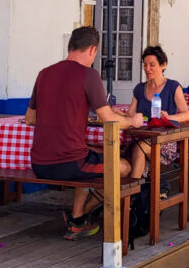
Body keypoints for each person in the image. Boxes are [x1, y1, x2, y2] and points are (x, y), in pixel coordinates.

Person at [24, 26, 144, 239]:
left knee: (91, 154)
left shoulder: (44, 73)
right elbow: (109, 119)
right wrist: (132, 120)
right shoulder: (89, 75)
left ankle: (78, 221)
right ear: (93, 50)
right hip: (68, 163)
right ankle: (83, 216)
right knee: (124, 166)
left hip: (39, 163)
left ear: (70, 46)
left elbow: (30, 119)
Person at [126, 45, 189, 179]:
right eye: (145, 65)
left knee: (139, 149)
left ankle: (130, 194)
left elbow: (185, 114)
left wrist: (168, 117)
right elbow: (130, 115)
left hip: (164, 141)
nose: (147, 69)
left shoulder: (173, 87)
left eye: (152, 65)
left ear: (163, 65)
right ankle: (135, 191)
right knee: (123, 155)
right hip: (141, 137)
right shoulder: (139, 89)